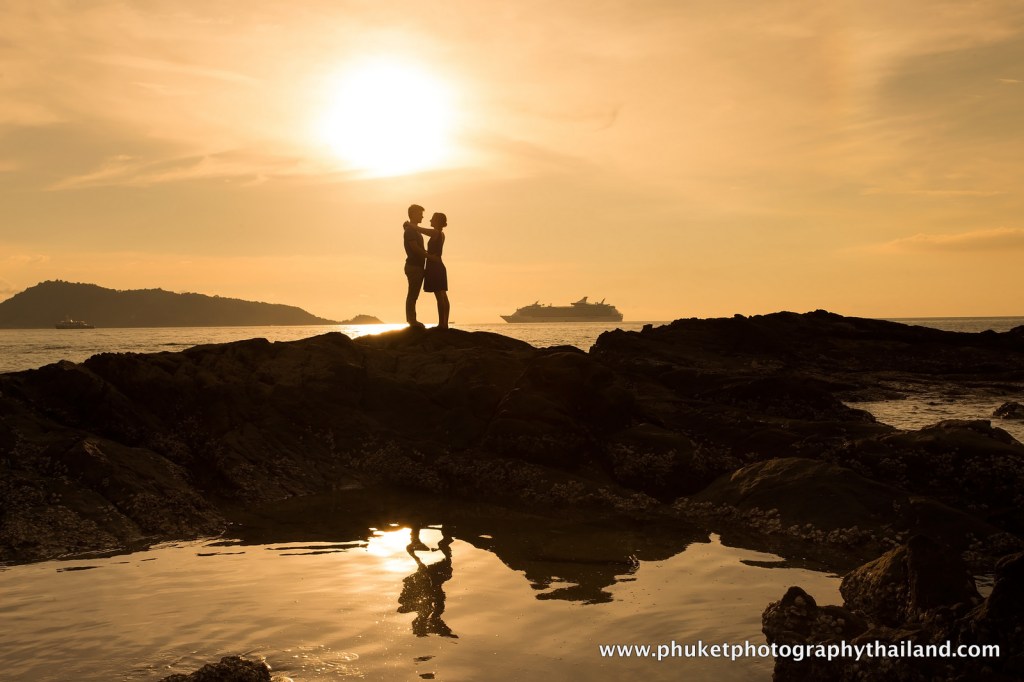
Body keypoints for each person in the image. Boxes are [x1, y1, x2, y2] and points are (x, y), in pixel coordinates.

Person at [410, 212, 449, 330]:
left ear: (437, 221)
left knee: (439, 295)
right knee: (443, 295)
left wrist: (409, 224)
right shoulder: (441, 234)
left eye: (432, 219)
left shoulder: (435, 232)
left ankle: (441, 324)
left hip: (435, 266)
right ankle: (445, 323)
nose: (430, 220)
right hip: (439, 264)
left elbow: (419, 229)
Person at [402, 204, 430, 328]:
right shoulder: (411, 231)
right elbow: (415, 248)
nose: (422, 216)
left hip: (417, 266)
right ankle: (411, 321)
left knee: (414, 294)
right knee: (412, 294)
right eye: (420, 213)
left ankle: (412, 320)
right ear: (413, 214)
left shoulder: (414, 230)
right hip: (413, 266)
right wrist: (429, 256)